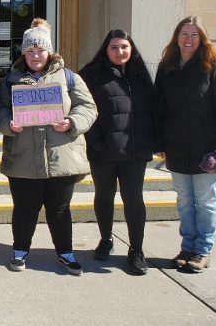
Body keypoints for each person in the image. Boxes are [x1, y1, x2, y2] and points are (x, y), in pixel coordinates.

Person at [0, 18, 97, 275]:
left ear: (49, 51)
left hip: (60, 156)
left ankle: (65, 252)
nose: (35, 55)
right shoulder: (11, 80)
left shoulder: (69, 77)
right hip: (23, 157)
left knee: (59, 209)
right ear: (23, 53)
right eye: (30, 50)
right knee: (25, 209)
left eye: (40, 49)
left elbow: (88, 107)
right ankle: (20, 251)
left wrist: (71, 122)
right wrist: (9, 124)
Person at [154, 15, 216, 273]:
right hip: (176, 147)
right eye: (184, 34)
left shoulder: (215, 66)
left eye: (194, 35)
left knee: (206, 200)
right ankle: (187, 247)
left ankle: (202, 251)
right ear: (177, 37)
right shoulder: (167, 67)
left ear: (202, 38)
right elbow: (159, 109)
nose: (188, 40)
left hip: (207, 148)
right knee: (185, 200)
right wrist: (159, 141)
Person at [79, 29, 156, 275]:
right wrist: (95, 141)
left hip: (135, 151)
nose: (119, 52)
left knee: (134, 199)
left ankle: (136, 250)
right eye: (114, 47)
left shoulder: (141, 76)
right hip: (103, 150)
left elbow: (156, 112)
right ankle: (106, 239)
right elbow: (82, 109)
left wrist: (153, 142)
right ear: (106, 50)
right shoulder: (91, 75)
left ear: (131, 49)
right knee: (104, 195)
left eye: (124, 46)